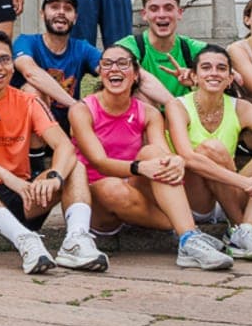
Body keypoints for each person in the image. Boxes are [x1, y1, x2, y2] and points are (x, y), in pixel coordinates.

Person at [0, 28, 104, 274]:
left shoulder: (28, 100)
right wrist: (7, 178)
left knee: (75, 166)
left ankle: (76, 241)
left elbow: (64, 146)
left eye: (5, 59)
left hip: (22, 195)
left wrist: (55, 176)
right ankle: (25, 240)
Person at [69, 44, 235, 271]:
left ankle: (189, 238)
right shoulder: (82, 110)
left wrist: (174, 160)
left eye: (122, 64)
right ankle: (189, 229)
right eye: (107, 64)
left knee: (154, 154)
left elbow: (160, 151)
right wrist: (139, 168)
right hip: (99, 198)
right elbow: (99, 162)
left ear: (136, 74)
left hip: (136, 191)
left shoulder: (149, 112)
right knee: (112, 187)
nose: (114, 68)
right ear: (100, 72)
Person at [165, 45, 252, 262]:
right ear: (194, 76)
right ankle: (240, 228)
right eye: (206, 68)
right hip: (195, 198)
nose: (214, 73)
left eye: (221, 68)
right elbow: (187, 157)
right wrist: (248, 183)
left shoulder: (241, 107)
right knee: (211, 148)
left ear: (230, 77)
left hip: (229, 192)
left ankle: (247, 229)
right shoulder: (178, 106)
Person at [117, 0, 204, 105]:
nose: (161, 15)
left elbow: (227, 71)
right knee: (135, 90)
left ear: (179, 13)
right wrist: (173, 106)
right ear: (144, 14)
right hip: (146, 118)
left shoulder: (193, 48)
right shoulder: (129, 46)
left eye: (168, 8)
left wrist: (197, 77)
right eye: (154, 9)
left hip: (184, 119)